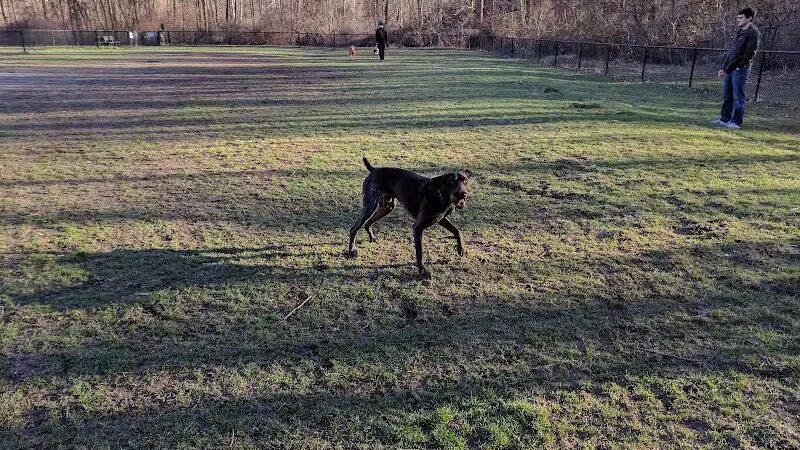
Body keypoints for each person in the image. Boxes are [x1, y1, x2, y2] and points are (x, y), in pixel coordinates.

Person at [711, 7, 760, 129]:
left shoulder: (753, 33)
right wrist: (723, 67)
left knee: (738, 96)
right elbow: (731, 52)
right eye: (737, 18)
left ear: (749, 18)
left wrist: (740, 66)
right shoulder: (739, 32)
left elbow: (751, 52)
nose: (738, 20)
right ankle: (724, 119)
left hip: (740, 70)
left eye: (741, 18)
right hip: (729, 68)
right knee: (727, 94)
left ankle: (736, 122)